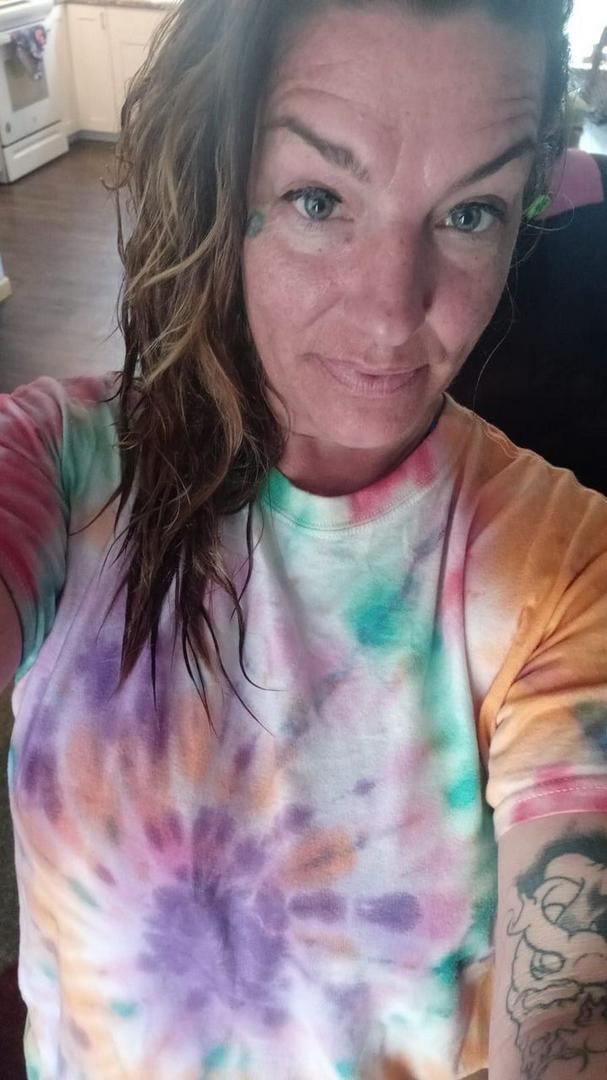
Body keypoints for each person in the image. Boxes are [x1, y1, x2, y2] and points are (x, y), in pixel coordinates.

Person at [1, 1, 606, 1077]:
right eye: (319, 199)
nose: (391, 315)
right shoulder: (55, 467)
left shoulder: (561, 566)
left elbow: (567, 1001)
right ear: (215, 185)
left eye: (469, 213)